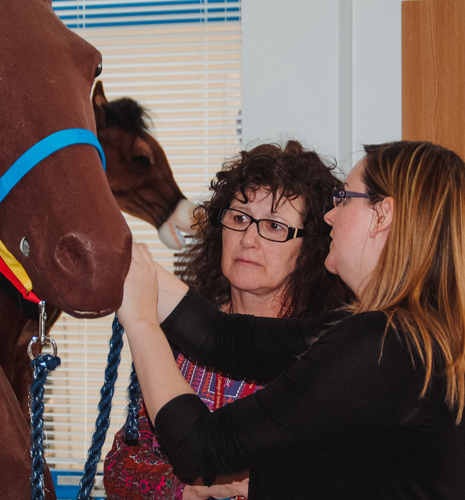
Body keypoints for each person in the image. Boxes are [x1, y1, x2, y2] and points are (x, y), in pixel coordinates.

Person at [116, 141, 465, 500]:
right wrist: (123, 261)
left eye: (344, 198)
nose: (331, 215)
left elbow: (199, 448)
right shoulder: (397, 336)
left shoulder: (383, 347)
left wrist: (140, 321)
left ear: (382, 215)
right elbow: (221, 337)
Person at [103, 141, 351, 500]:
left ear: (310, 249)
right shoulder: (181, 337)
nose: (248, 239)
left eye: (274, 226)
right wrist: (190, 489)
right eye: (239, 218)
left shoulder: (325, 353)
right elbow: (119, 469)